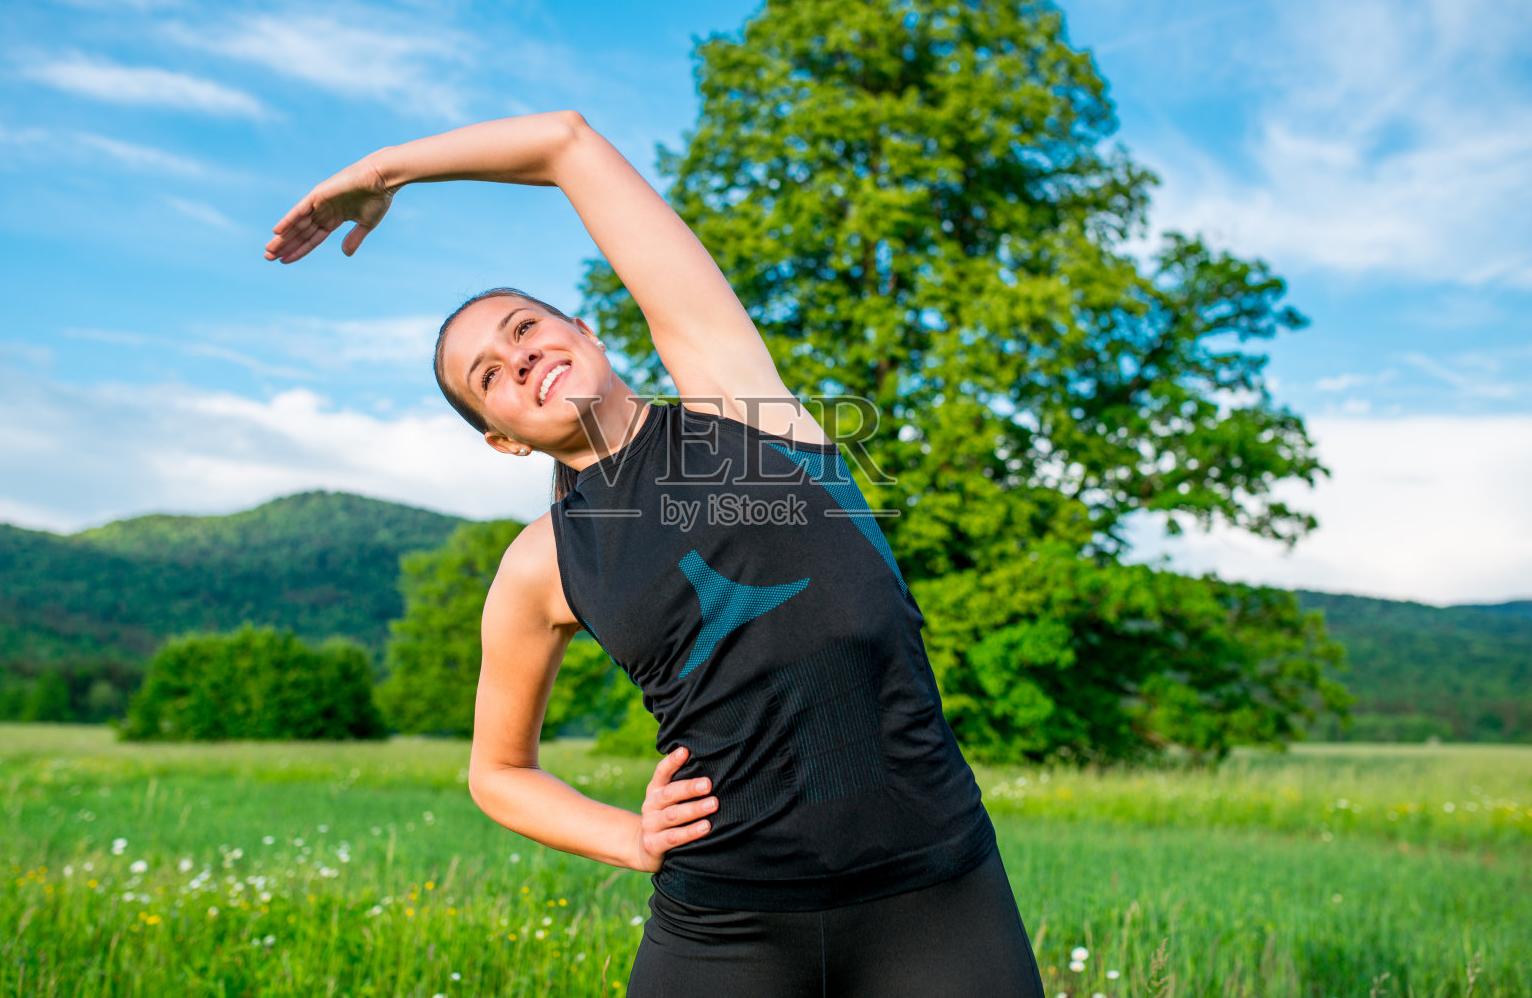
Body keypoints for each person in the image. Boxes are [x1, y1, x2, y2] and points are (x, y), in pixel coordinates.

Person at [266, 110, 1046, 997]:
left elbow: (565, 143)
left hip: (938, 895)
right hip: (726, 922)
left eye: (524, 330)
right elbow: (497, 772)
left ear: (588, 331)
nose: (519, 361)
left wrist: (384, 170)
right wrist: (627, 839)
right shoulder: (543, 564)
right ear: (502, 440)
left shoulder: (739, 401)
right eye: (488, 376)